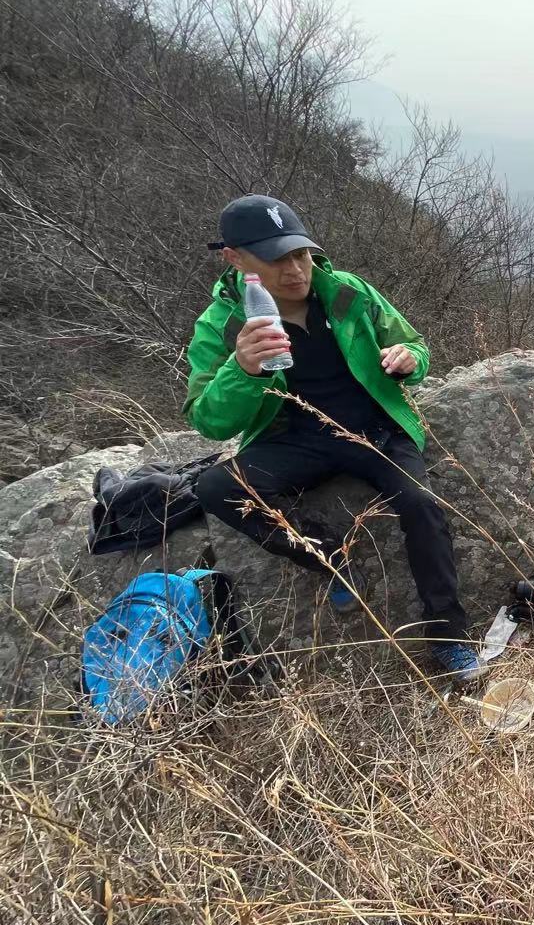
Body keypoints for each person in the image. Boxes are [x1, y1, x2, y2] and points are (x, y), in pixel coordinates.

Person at [185, 194, 481, 681]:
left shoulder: (345, 292)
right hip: (293, 437)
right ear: (235, 258)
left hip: (376, 428)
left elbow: (416, 346)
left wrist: (408, 359)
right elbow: (211, 422)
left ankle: (449, 637)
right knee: (216, 487)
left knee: (421, 505)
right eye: (276, 258)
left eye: (299, 253)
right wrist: (242, 368)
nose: (295, 270)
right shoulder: (223, 324)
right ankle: (333, 557)